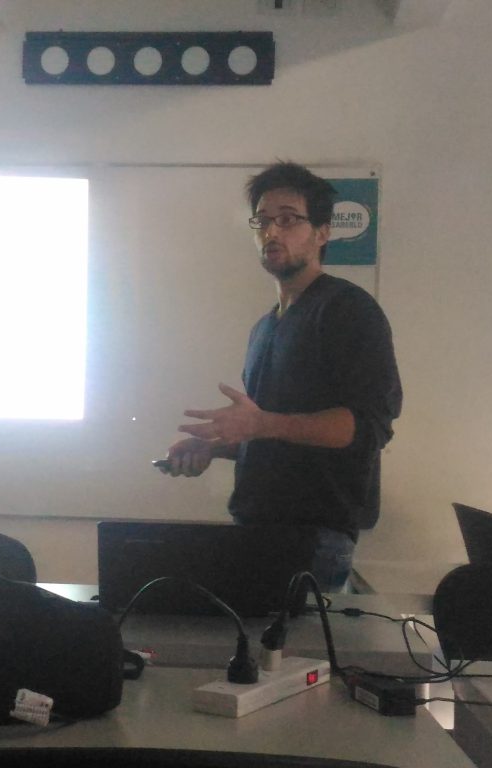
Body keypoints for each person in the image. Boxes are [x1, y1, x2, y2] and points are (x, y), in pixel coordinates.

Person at [159, 162, 402, 591]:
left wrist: (260, 424)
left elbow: (368, 428)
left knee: (296, 642)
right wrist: (214, 448)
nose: (272, 232)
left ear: (322, 232)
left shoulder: (348, 310)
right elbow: (272, 435)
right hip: (253, 530)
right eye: (262, 221)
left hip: (314, 540)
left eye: (288, 219)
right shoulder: (264, 327)